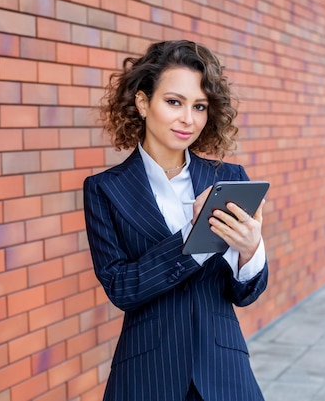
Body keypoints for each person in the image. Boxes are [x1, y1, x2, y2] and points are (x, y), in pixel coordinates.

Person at [83, 40, 268, 401]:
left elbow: (244, 293)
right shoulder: (104, 189)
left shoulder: (230, 179)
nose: (189, 118)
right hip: (147, 374)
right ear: (142, 103)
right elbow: (122, 288)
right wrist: (194, 239)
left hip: (223, 370)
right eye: (174, 102)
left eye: (199, 106)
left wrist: (251, 252)